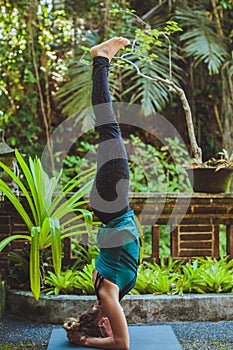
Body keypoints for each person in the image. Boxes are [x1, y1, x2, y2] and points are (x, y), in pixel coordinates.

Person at [63, 37, 140, 350]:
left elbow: (122, 345)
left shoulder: (107, 294)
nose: (114, 318)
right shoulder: (109, 292)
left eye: (107, 320)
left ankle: (100, 59)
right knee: (109, 130)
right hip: (112, 208)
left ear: (99, 317)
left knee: (109, 128)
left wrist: (86, 340)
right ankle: (101, 59)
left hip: (113, 207)